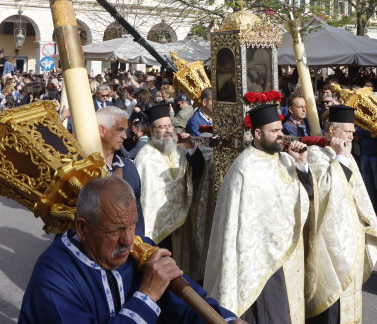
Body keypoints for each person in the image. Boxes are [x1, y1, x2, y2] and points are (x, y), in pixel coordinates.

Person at [19, 177, 242, 323]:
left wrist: (229, 320)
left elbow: (188, 303)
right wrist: (147, 295)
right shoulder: (52, 281)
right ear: (83, 228)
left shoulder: (139, 248)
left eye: (132, 224)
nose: (128, 240)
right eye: (114, 230)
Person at [204, 102, 312, 323]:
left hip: (286, 252)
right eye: (275, 131)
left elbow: (305, 195)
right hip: (257, 259)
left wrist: (302, 165)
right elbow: (236, 222)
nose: (281, 135)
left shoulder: (285, 159)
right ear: (258, 134)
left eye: (281, 129)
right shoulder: (244, 168)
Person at [305, 105, 377, 323]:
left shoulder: (346, 154)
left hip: (350, 234)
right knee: (332, 300)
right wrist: (339, 158)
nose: (352, 135)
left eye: (352, 131)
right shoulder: (315, 154)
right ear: (332, 131)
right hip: (329, 238)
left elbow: (358, 191)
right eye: (348, 131)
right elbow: (325, 192)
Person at [134, 105, 206, 277]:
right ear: (152, 130)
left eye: (170, 126)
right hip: (159, 227)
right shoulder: (144, 158)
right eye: (162, 127)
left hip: (183, 221)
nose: (168, 131)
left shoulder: (180, 150)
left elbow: (199, 171)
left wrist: (191, 147)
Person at [97, 105, 144, 236]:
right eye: (119, 130)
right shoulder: (83, 170)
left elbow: (137, 213)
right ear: (102, 130)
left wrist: (139, 240)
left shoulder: (129, 167)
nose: (124, 136)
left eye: (125, 130)